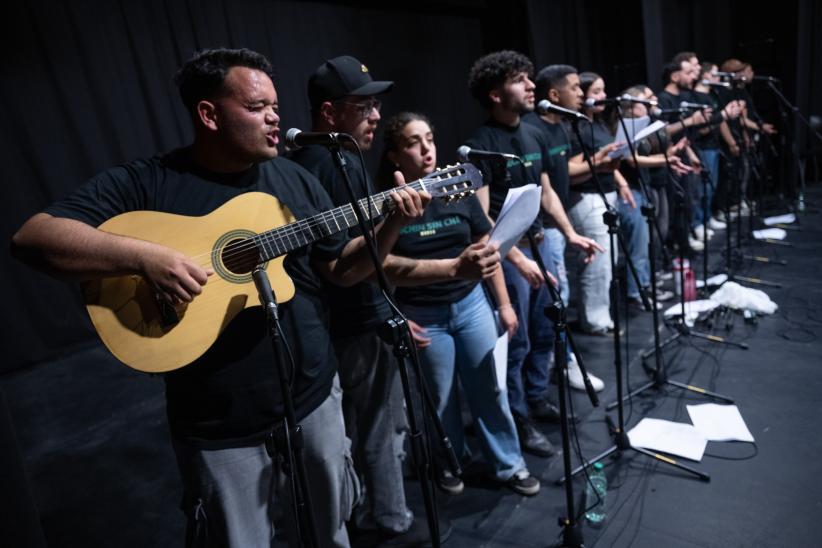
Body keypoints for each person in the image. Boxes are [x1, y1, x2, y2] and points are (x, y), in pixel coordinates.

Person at [10, 48, 429, 548]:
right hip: (219, 422)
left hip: (314, 396)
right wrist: (145, 259)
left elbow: (342, 270)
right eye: (257, 107)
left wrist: (393, 220)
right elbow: (33, 238)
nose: (275, 116)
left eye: (276, 104)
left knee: (329, 532)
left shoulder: (295, 178)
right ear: (208, 114)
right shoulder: (151, 182)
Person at [380, 111, 541, 496]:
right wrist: (395, 316)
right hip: (423, 313)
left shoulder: (457, 189)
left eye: (430, 139)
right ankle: (450, 460)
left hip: (470, 305)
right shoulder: (389, 205)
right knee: (440, 398)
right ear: (394, 156)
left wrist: (504, 305)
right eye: (413, 143)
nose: (426, 149)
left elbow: (487, 252)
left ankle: (509, 465)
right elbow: (376, 269)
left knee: (488, 387)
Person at [464, 50, 602, 458]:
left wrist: (570, 233)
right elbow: (482, 218)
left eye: (530, 78)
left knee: (546, 330)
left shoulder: (534, 133)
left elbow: (546, 189)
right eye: (519, 80)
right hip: (510, 257)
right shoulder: (480, 145)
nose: (530, 86)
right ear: (494, 94)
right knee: (518, 341)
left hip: (541, 248)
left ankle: (538, 397)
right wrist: (517, 260)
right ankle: (519, 416)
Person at [523, 63, 607, 392]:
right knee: (556, 300)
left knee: (563, 295)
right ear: (554, 94)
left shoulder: (562, 127)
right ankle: (560, 363)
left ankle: (560, 360)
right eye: (575, 87)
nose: (582, 93)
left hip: (560, 221)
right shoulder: (533, 130)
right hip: (543, 228)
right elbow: (542, 189)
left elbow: (564, 175)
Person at [566, 71, 633, 335]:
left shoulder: (600, 124)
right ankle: (594, 319)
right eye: (596, 91)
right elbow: (573, 167)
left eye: (603, 90)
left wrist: (621, 181)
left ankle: (600, 313)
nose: (603, 97)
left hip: (606, 194)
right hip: (586, 197)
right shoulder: (576, 126)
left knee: (608, 260)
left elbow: (607, 159)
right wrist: (604, 164)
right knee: (598, 262)